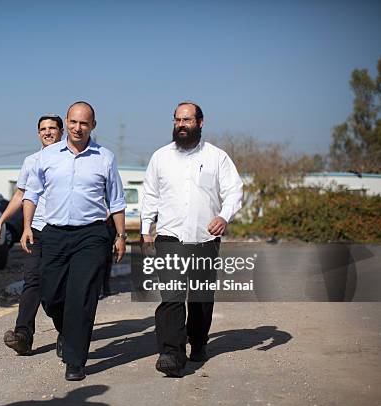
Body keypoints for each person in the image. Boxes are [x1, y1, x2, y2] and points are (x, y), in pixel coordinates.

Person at [21, 101, 127, 381]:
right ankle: (67, 331)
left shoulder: (105, 157)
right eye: (73, 122)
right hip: (53, 233)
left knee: (81, 297)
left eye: (84, 123)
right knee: (51, 295)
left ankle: (75, 360)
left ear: (93, 125)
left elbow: (116, 200)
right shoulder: (48, 157)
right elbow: (30, 194)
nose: (77, 128)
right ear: (66, 122)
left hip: (91, 235)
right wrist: (26, 228)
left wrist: (120, 235)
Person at [140, 101, 243, 377]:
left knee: (200, 298)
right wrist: (145, 229)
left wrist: (224, 216)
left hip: (205, 239)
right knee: (171, 297)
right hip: (169, 237)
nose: (181, 125)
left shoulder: (217, 157)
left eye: (187, 120)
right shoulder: (160, 157)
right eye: (177, 120)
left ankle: (198, 341)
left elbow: (234, 191)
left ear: (200, 122)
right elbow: (150, 194)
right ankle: (171, 352)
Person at [0, 114, 64, 355]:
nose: (48, 132)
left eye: (53, 128)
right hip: (37, 230)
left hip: (64, 232)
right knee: (32, 281)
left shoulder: (70, 159)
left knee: (57, 288)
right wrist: (1, 221)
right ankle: (23, 335)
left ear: (62, 131)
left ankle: (68, 333)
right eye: (43, 129)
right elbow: (20, 195)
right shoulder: (31, 161)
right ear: (38, 133)